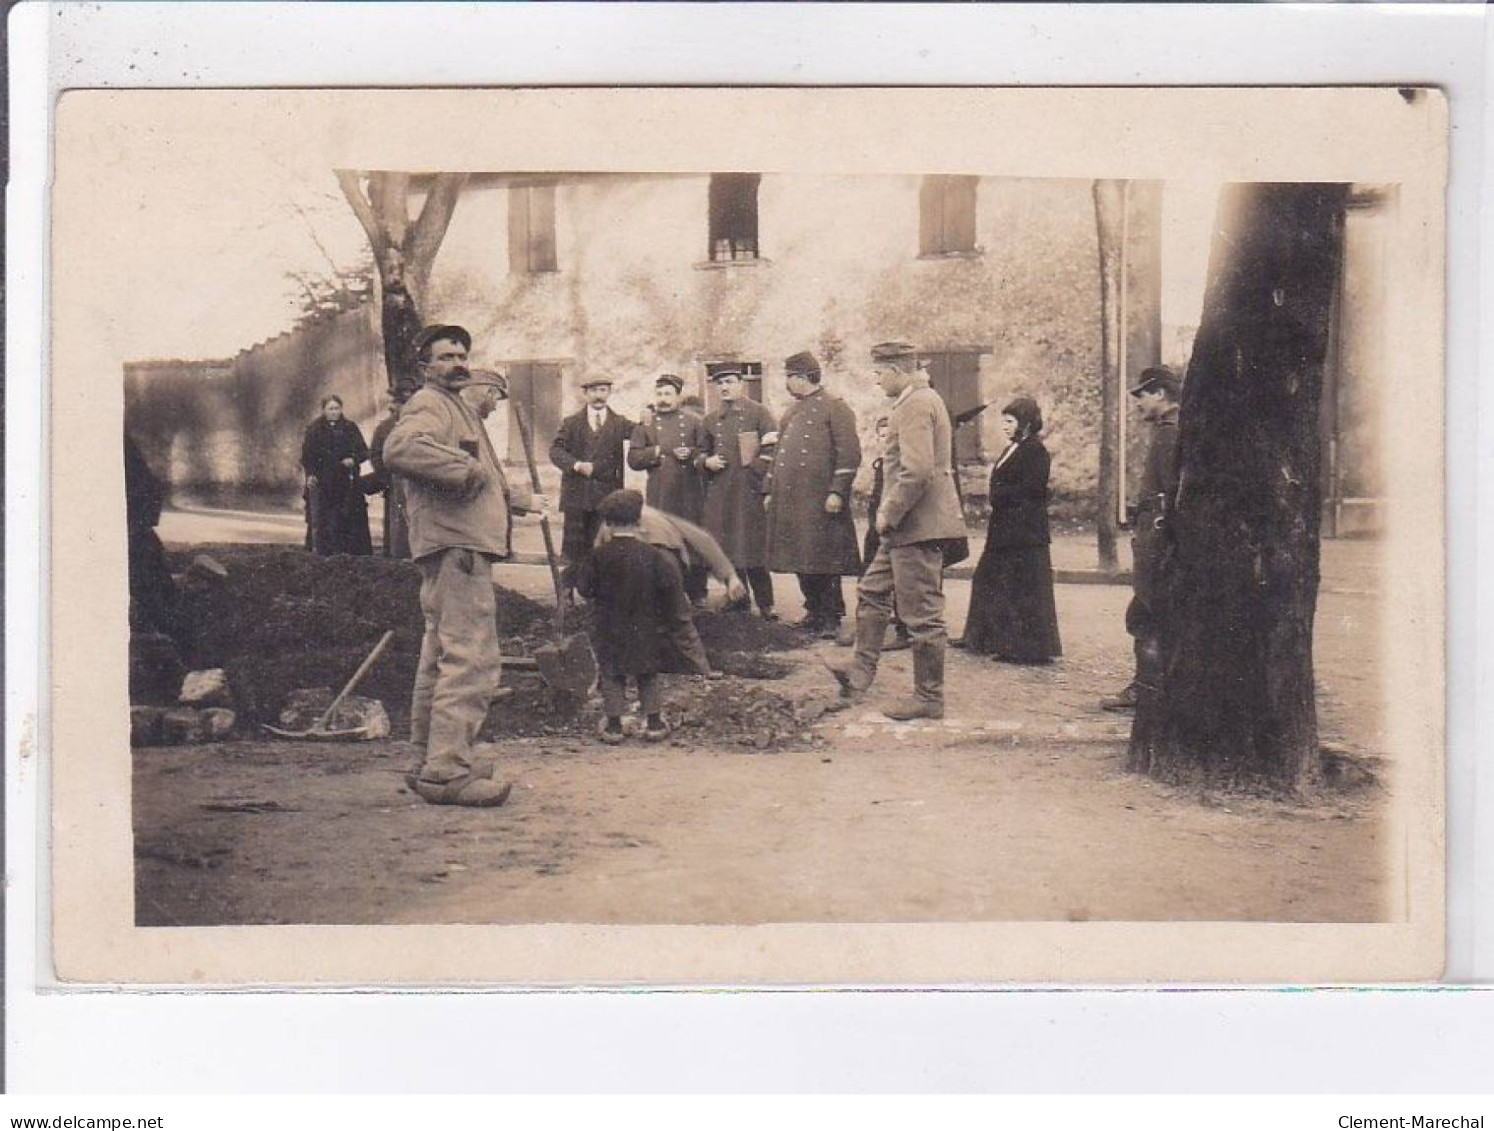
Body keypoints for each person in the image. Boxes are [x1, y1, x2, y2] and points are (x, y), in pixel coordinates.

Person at [383, 325, 543, 807]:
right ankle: (448, 770)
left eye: (462, 355)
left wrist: (510, 497)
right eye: (446, 356)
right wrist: (470, 474)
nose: (458, 363)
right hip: (459, 550)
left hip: (453, 548)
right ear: (424, 367)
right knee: (471, 658)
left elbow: (469, 472)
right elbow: (401, 449)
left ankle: (427, 760)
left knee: (441, 656)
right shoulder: (431, 404)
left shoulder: (454, 409)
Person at [825, 342, 965, 720]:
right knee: (871, 591)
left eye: (879, 372)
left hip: (916, 526)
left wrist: (889, 511)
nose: (875, 379)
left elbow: (917, 470)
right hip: (905, 528)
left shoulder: (919, 402)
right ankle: (860, 672)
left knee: (921, 615)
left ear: (899, 371)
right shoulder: (912, 401)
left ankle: (928, 697)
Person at [575, 489, 690, 745]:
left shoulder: (598, 556)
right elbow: (670, 589)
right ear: (638, 522)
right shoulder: (653, 556)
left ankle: (614, 726)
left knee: (612, 673)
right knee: (647, 673)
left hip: (609, 626)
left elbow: (584, 588)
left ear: (607, 523)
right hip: (646, 626)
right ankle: (654, 723)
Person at [954, 396, 1062, 663]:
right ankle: (980, 637)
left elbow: (1033, 489)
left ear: (1025, 423)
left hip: (1024, 532)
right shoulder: (1011, 449)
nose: (1004, 426)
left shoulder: (1036, 451)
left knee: (1021, 587)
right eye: (1003, 421)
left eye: (1010, 421)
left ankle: (1023, 648)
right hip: (1004, 528)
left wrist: (1001, 494)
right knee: (986, 579)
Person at [764, 351, 863, 639]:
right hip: (791, 500)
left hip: (820, 500)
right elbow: (778, 455)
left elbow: (850, 455)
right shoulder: (792, 412)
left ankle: (830, 615)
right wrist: (769, 489)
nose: (787, 383)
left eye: (789, 377)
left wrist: (837, 492)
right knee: (800, 557)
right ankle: (813, 611)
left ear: (803, 377)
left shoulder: (836, 407)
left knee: (824, 558)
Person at [1101, 365, 1183, 713]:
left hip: (1158, 532)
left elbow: (1172, 491)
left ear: (1161, 394)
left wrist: (1157, 533)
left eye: (1142, 395)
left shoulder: (1169, 433)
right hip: (1156, 527)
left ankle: (1148, 689)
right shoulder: (1173, 429)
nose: (1137, 403)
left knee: (1146, 611)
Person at [597, 504, 747, 678]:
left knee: (627, 614)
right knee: (679, 616)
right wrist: (730, 576)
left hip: (640, 564)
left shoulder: (608, 525)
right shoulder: (658, 516)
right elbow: (702, 539)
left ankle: (622, 667)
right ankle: (702, 669)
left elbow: (600, 561)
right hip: (667, 562)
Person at [700, 367, 778, 619]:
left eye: (730, 382)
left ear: (741, 384)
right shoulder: (711, 419)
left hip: (749, 491)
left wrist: (755, 471)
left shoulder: (759, 413)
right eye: (720, 383)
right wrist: (706, 461)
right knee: (729, 546)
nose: (724, 387)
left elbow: (773, 448)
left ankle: (766, 603)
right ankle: (738, 599)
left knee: (752, 546)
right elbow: (699, 452)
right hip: (722, 491)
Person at [550, 374, 634, 597]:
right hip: (577, 495)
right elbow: (555, 452)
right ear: (585, 394)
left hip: (606, 496)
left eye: (604, 390)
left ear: (609, 393)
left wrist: (648, 417)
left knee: (603, 545)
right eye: (594, 390)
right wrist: (576, 465)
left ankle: (599, 592)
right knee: (574, 546)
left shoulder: (620, 423)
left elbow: (642, 435)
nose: (599, 395)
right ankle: (567, 593)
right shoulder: (570, 423)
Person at [628, 373, 709, 603]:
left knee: (692, 540)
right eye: (659, 394)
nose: (663, 399)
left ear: (678, 396)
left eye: (668, 394)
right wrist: (657, 451)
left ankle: (697, 593)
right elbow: (633, 459)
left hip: (690, 492)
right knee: (662, 542)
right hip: (660, 492)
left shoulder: (694, 421)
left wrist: (692, 453)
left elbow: (705, 450)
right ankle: (666, 594)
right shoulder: (646, 424)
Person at [855, 414, 910, 651]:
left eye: (890, 437)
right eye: (882, 437)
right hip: (874, 530)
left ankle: (903, 629)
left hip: (892, 529)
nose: (886, 441)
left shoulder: (899, 467)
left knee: (901, 581)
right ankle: (866, 629)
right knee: (869, 577)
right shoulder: (880, 465)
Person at [300, 394, 373, 556]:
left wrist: (353, 460)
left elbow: (364, 451)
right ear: (324, 410)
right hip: (324, 480)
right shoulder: (314, 429)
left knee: (347, 514)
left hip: (346, 481)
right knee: (323, 517)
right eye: (330, 408)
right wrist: (311, 474)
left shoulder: (350, 427)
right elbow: (307, 456)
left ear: (341, 409)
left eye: (337, 408)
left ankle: (348, 551)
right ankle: (324, 553)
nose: (334, 412)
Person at [363, 379, 419, 559]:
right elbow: (376, 454)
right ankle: (396, 558)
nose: (405, 407)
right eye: (401, 403)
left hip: (420, 482)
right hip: (395, 482)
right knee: (397, 524)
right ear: (395, 404)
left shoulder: (423, 424)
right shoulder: (385, 427)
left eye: (409, 403)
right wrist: (387, 477)